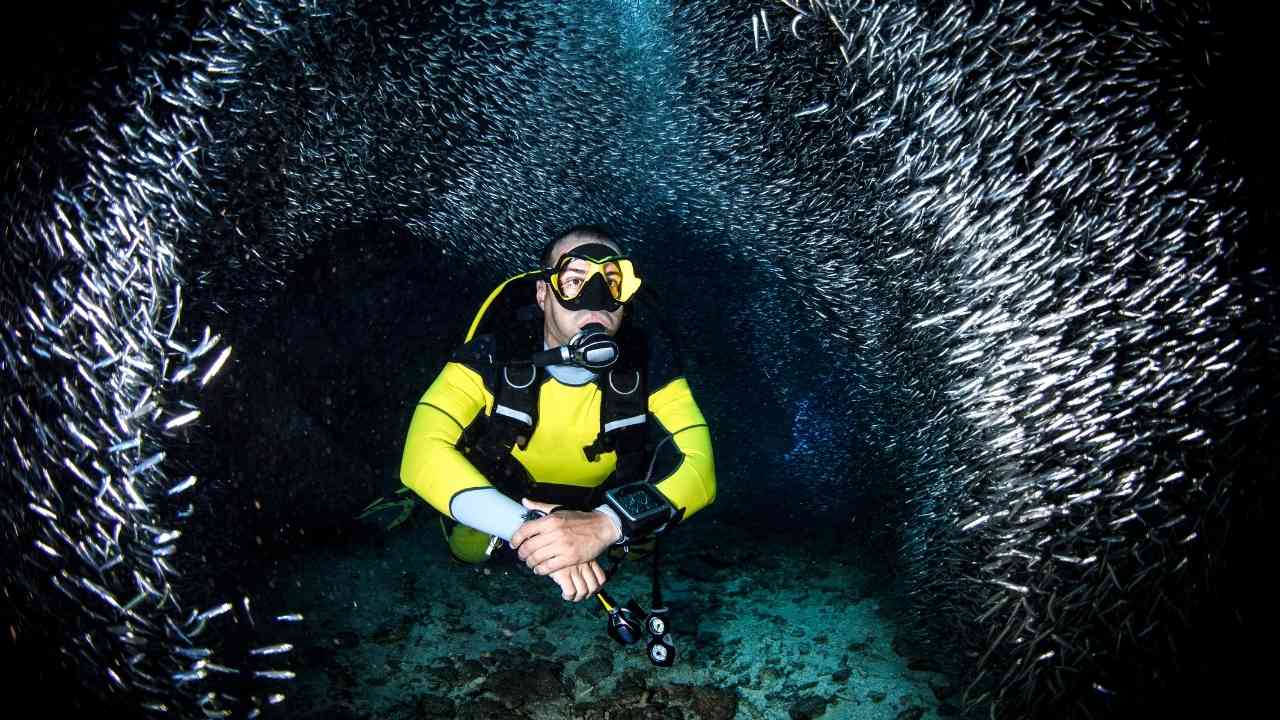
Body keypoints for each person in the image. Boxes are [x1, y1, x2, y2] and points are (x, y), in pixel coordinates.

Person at [399, 225, 716, 603]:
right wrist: (535, 530)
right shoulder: (489, 357)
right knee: (467, 550)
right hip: (505, 495)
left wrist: (606, 524)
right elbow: (420, 454)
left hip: (599, 504)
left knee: (638, 543)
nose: (595, 301)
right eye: (573, 280)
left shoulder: (650, 368)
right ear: (542, 293)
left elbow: (702, 470)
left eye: (612, 281)